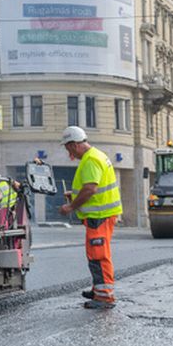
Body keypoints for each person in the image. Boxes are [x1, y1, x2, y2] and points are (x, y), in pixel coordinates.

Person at [57, 125, 122, 309]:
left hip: (99, 215)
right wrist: (75, 194)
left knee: (98, 256)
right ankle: (98, 290)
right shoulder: (96, 156)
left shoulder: (91, 160)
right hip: (101, 215)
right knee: (96, 254)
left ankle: (104, 297)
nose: (68, 152)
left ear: (74, 144)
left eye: (67, 147)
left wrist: (71, 206)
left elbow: (90, 189)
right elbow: (92, 187)